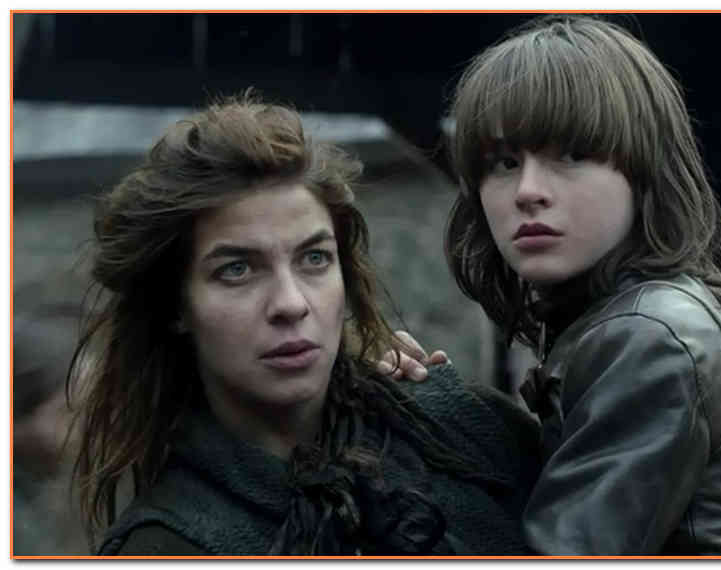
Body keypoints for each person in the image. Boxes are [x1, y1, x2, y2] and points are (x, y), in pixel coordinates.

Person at [65, 92, 539, 556]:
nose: (291, 304)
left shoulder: (463, 430)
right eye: (237, 269)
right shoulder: (168, 547)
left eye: (314, 258)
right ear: (176, 306)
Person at [442, 15, 721, 555]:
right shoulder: (613, 321)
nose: (527, 191)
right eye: (504, 163)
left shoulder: (651, 336)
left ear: (642, 172)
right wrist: (428, 401)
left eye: (571, 155)